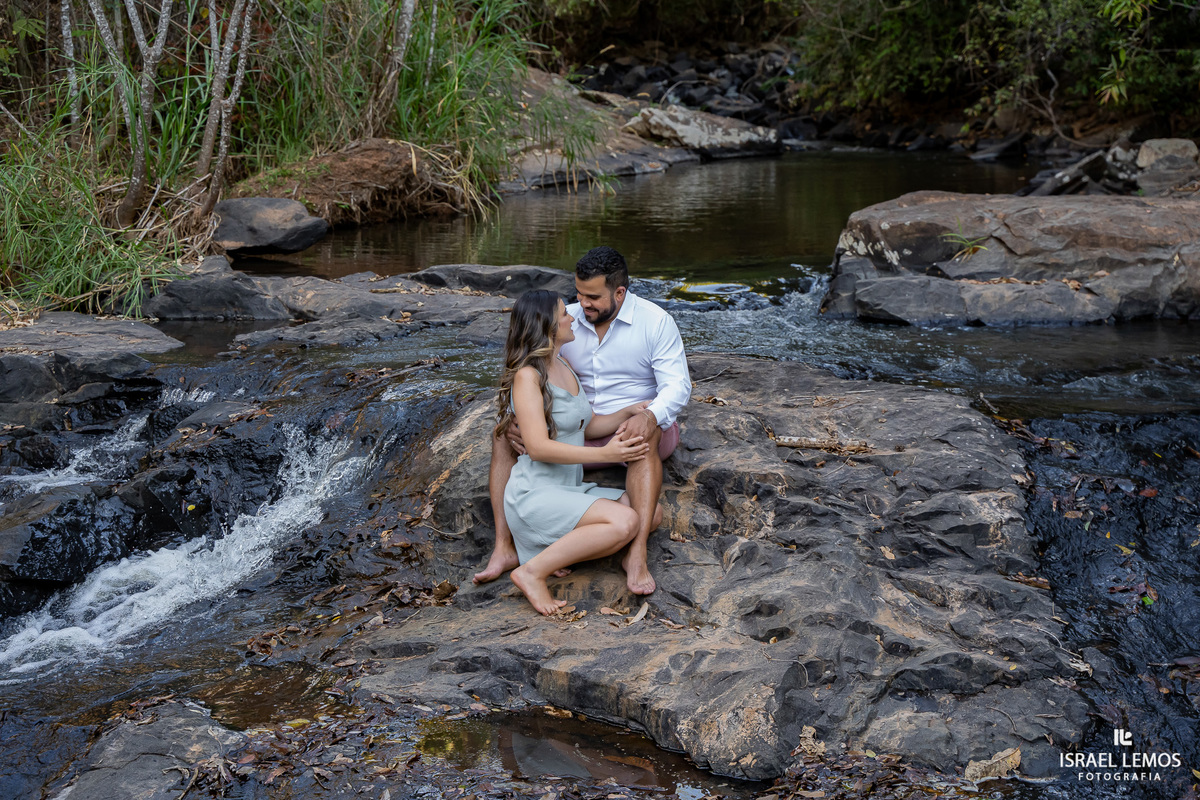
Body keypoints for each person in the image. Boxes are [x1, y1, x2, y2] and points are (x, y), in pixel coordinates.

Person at [476, 246, 691, 595]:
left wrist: (646, 414)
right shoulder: (563, 325)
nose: (580, 306)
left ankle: (635, 556)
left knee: (641, 438)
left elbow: (678, 386)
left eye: (592, 297)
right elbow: (529, 375)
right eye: (577, 295)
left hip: (620, 425)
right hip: (575, 431)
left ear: (619, 293)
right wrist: (521, 422)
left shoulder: (655, 322)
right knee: (502, 435)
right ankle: (505, 546)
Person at [496, 290, 661, 615]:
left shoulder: (563, 366)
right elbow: (539, 448)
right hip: (535, 494)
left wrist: (627, 411)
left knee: (649, 515)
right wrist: (608, 455)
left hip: (568, 489)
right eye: (564, 314)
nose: (573, 317)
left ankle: (553, 551)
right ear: (546, 326)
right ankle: (532, 572)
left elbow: (586, 425)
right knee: (626, 521)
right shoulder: (527, 377)